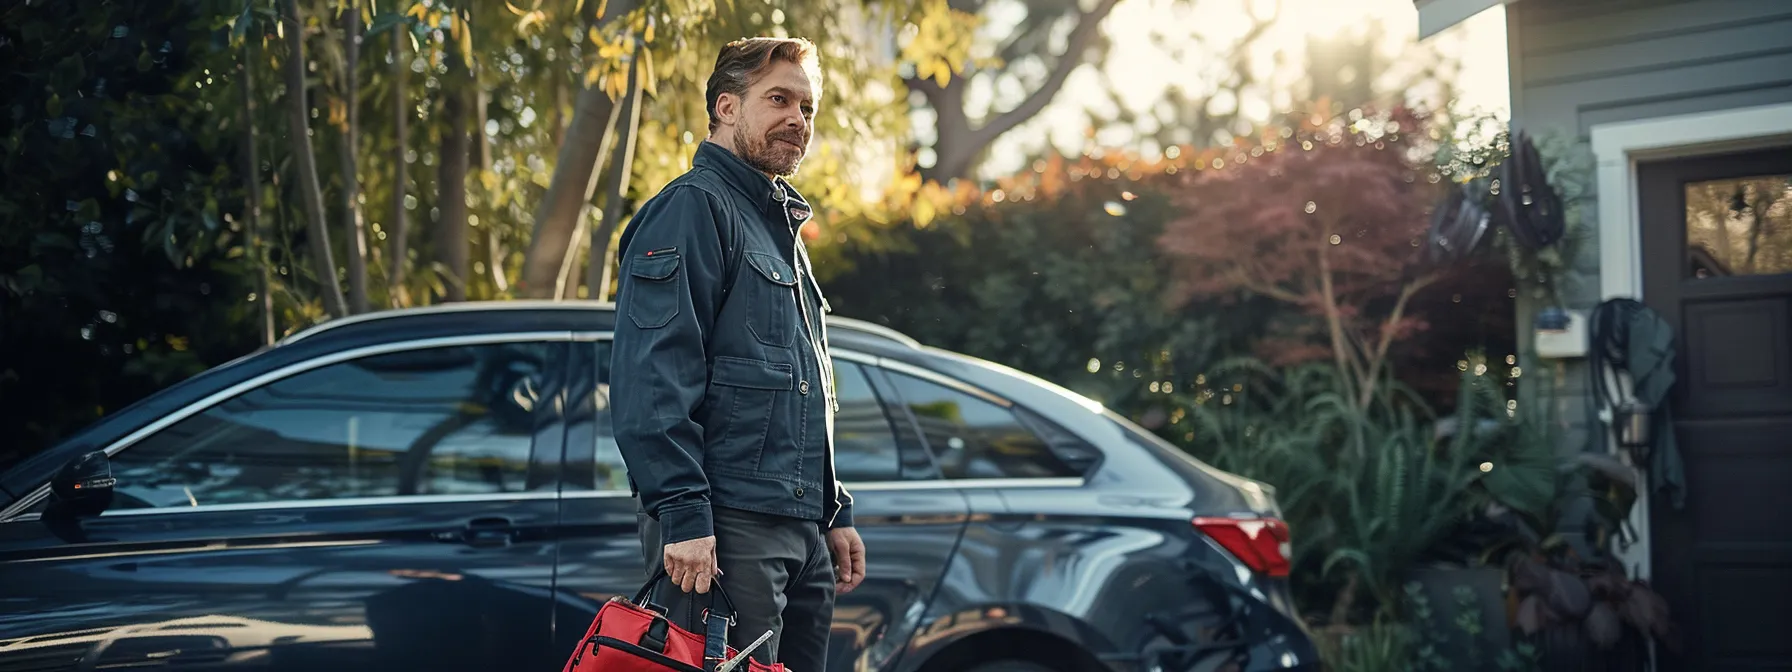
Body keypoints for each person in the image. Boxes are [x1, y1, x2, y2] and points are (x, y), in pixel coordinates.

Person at [608, 35, 866, 670]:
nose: (797, 120)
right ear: (726, 107)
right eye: (778, 99)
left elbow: (800, 386)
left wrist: (831, 509)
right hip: (725, 531)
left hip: (797, 530)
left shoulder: (780, 229)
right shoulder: (692, 209)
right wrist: (684, 516)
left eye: (807, 108)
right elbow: (654, 377)